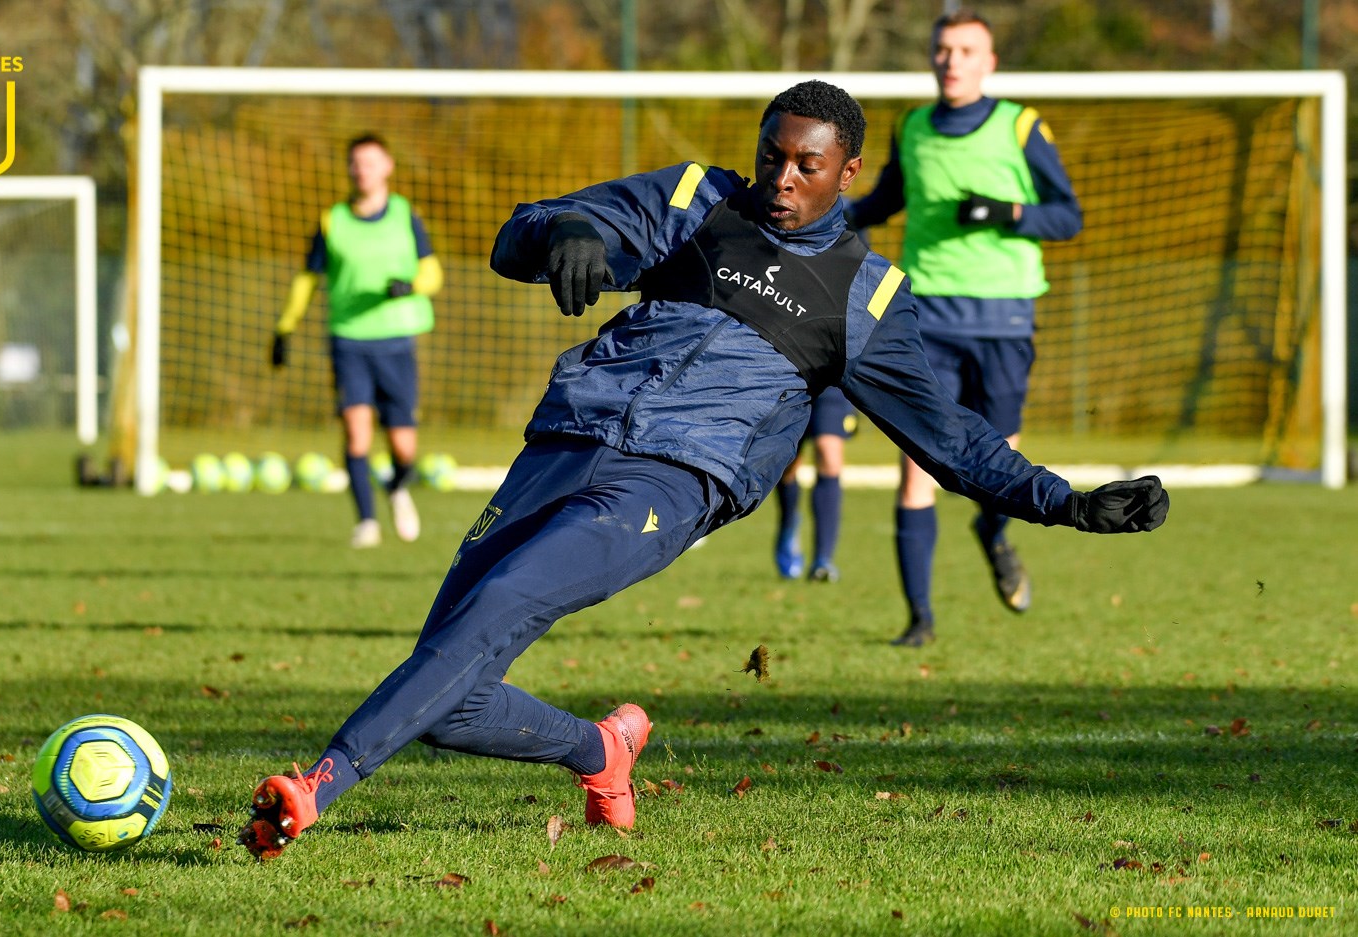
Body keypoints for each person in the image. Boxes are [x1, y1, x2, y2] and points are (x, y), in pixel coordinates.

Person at [238, 80, 1166, 861]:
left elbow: (952, 439)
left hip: (673, 481)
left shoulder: (865, 298)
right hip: (564, 438)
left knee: (501, 605)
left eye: (806, 165)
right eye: (772, 157)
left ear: (848, 173)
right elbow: (529, 229)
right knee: (448, 689)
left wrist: (1069, 505)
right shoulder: (700, 201)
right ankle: (601, 748)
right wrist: (566, 235)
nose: (781, 180)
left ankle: (319, 784)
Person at [846, 9, 1083, 647]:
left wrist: (1007, 212)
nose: (951, 60)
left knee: (997, 457)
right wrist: (826, 213)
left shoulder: (1021, 125)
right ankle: (919, 620)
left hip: (1005, 318)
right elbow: (883, 201)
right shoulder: (914, 126)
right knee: (916, 461)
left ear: (989, 62)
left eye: (966, 50)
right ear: (930, 56)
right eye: (943, 48)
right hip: (926, 314)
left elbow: (1067, 217)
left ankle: (994, 533)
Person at [271, 133, 443, 548]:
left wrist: (412, 286)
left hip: (397, 340)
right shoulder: (332, 221)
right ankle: (366, 522)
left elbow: (433, 272)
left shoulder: (405, 215)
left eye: (369, 162)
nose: (361, 169)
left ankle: (397, 488)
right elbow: (308, 278)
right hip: (349, 341)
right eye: (355, 163)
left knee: (404, 447)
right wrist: (284, 327)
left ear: (387, 168)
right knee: (356, 433)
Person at [773, 386, 859, 582]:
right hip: (795, 378)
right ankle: (789, 522)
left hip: (833, 385)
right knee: (787, 463)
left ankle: (823, 560)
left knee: (828, 455)